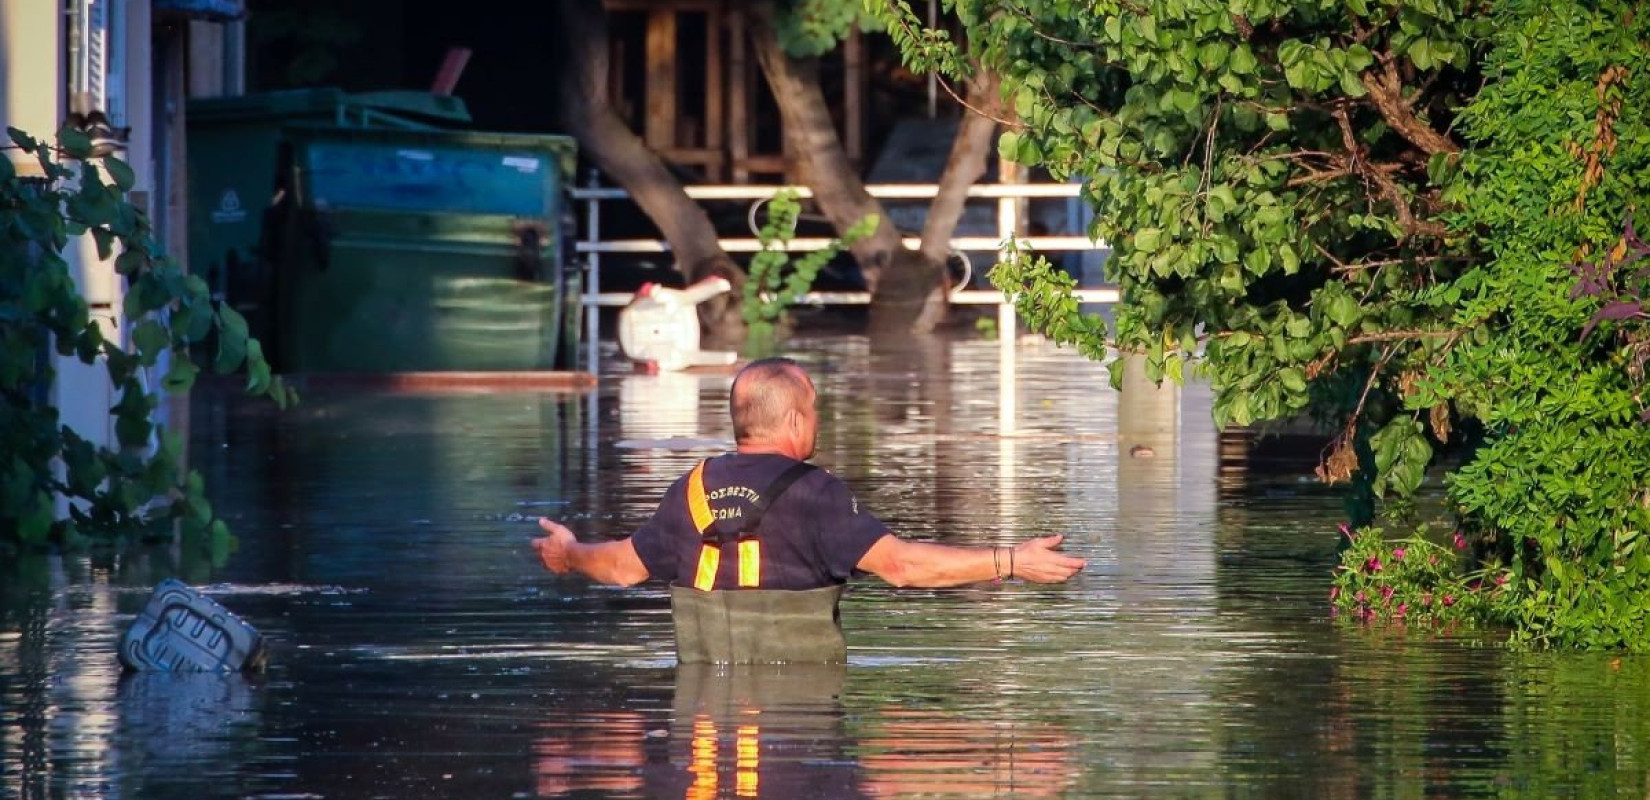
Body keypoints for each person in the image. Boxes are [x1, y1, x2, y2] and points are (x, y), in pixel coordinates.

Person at [533, 357, 1086, 663]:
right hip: (804, 703)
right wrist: (1010, 561)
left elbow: (623, 567)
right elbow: (901, 566)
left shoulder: (689, 487)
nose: (817, 422)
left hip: (701, 701)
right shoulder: (817, 492)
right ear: (795, 420)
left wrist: (569, 552)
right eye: (815, 411)